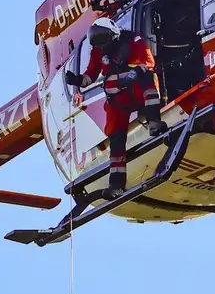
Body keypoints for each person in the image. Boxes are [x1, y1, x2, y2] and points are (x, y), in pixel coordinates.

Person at [65, 17, 168, 200]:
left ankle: (154, 122)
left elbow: (148, 62)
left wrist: (135, 72)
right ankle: (116, 184)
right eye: (99, 43)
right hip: (117, 97)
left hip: (136, 87)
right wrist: (77, 80)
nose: (102, 47)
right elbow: (91, 73)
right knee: (116, 139)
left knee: (149, 80)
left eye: (104, 40)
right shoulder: (98, 51)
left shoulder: (133, 40)